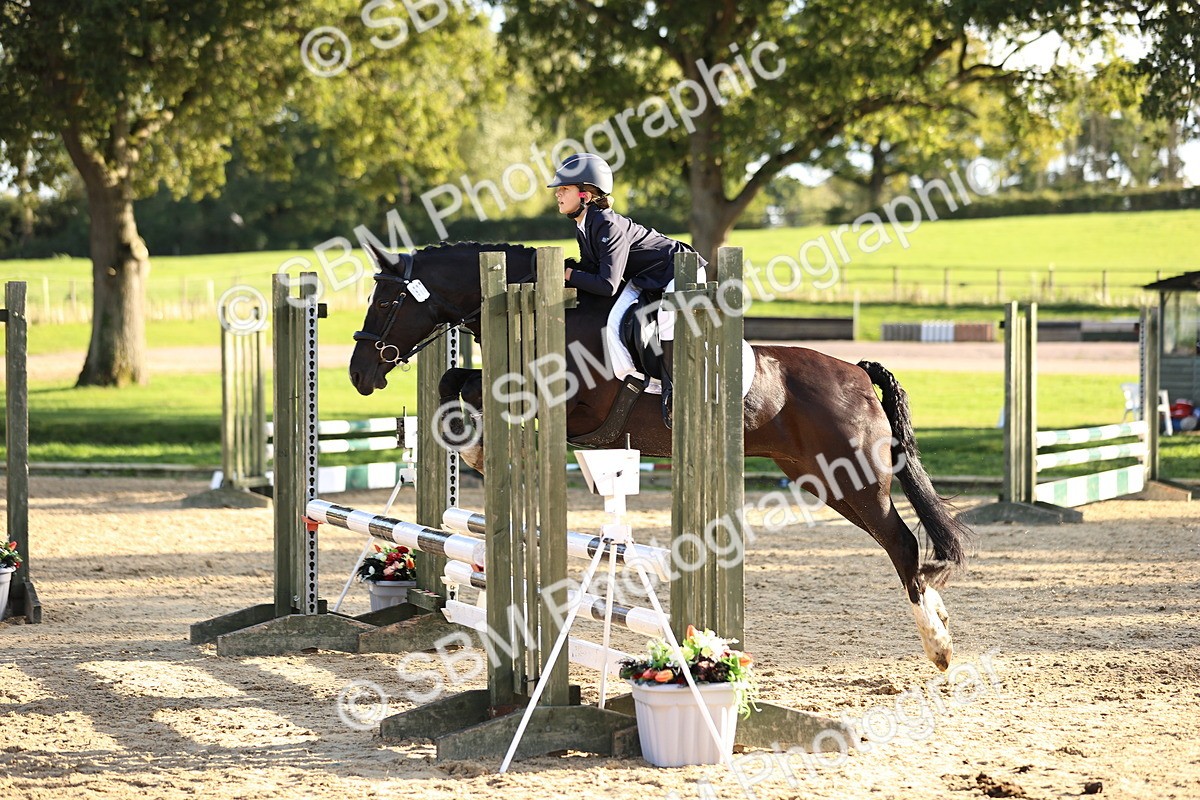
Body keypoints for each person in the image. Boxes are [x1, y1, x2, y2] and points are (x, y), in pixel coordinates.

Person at [547, 153, 706, 426]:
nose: (558, 194)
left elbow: (607, 284)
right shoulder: (585, 226)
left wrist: (568, 273)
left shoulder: (606, 224)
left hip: (680, 270)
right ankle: (635, 377)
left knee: (667, 317)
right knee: (614, 321)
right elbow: (593, 274)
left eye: (564, 188)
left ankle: (674, 389)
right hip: (644, 277)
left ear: (585, 194)